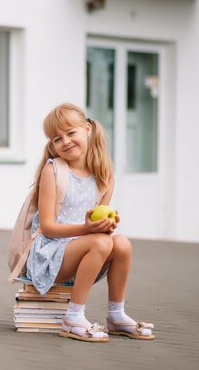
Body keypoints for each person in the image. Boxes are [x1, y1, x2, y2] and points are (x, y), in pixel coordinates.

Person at [26, 103, 154, 342]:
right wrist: (88, 229)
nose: (65, 141)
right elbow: (47, 227)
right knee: (101, 244)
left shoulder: (104, 176)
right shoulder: (53, 170)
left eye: (71, 133)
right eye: (57, 139)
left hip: (86, 250)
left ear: (87, 129)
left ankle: (116, 315)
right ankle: (73, 316)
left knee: (122, 243)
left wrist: (106, 225)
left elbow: (101, 232)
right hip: (50, 254)